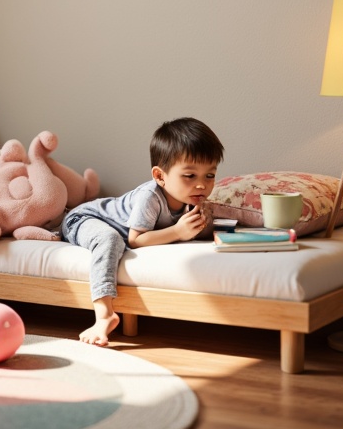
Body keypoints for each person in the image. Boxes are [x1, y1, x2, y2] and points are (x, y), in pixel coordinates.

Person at [60, 117, 224, 345]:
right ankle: (104, 315)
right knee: (110, 239)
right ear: (159, 176)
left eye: (210, 175)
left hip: (101, 221)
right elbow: (135, 240)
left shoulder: (192, 199)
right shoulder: (150, 197)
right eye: (189, 175)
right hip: (83, 218)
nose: (201, 185)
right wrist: (178, 232)